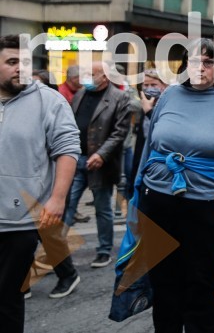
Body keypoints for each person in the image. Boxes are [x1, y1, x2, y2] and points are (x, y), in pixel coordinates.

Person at [131, 38, 214, 332]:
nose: (200, 67)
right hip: (158, 201)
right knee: (163, 280)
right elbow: (150, 146)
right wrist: (137, 190)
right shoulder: (170, 95)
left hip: (207, 205)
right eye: (194, 61)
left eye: (208, 61)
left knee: (201, 282)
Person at [0, 35, 80, 331]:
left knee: (8, 296)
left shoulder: (49, 100)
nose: (20, 69)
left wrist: (57, 199)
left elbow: (68, 149)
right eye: (11, 62)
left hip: (21, 221)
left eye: (23, 62)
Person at [64, 61, 133, 268]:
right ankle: (55, 252)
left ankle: (104, 250)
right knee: (67, 205)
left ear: (104, 76)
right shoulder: (79, 95)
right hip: (77, 159)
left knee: (102, 208)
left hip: (101, 163)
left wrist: (101, 155)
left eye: (91, 74)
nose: (87, 78)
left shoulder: (119, 98)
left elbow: (119, 132)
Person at [127, 68, 169, 199]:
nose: (149, 88)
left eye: (153, 85)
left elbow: (164, 131)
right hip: (142, 155)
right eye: (146, 85)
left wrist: (149, 112)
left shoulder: (168, 104)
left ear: (164, 86)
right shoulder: (141, 103)